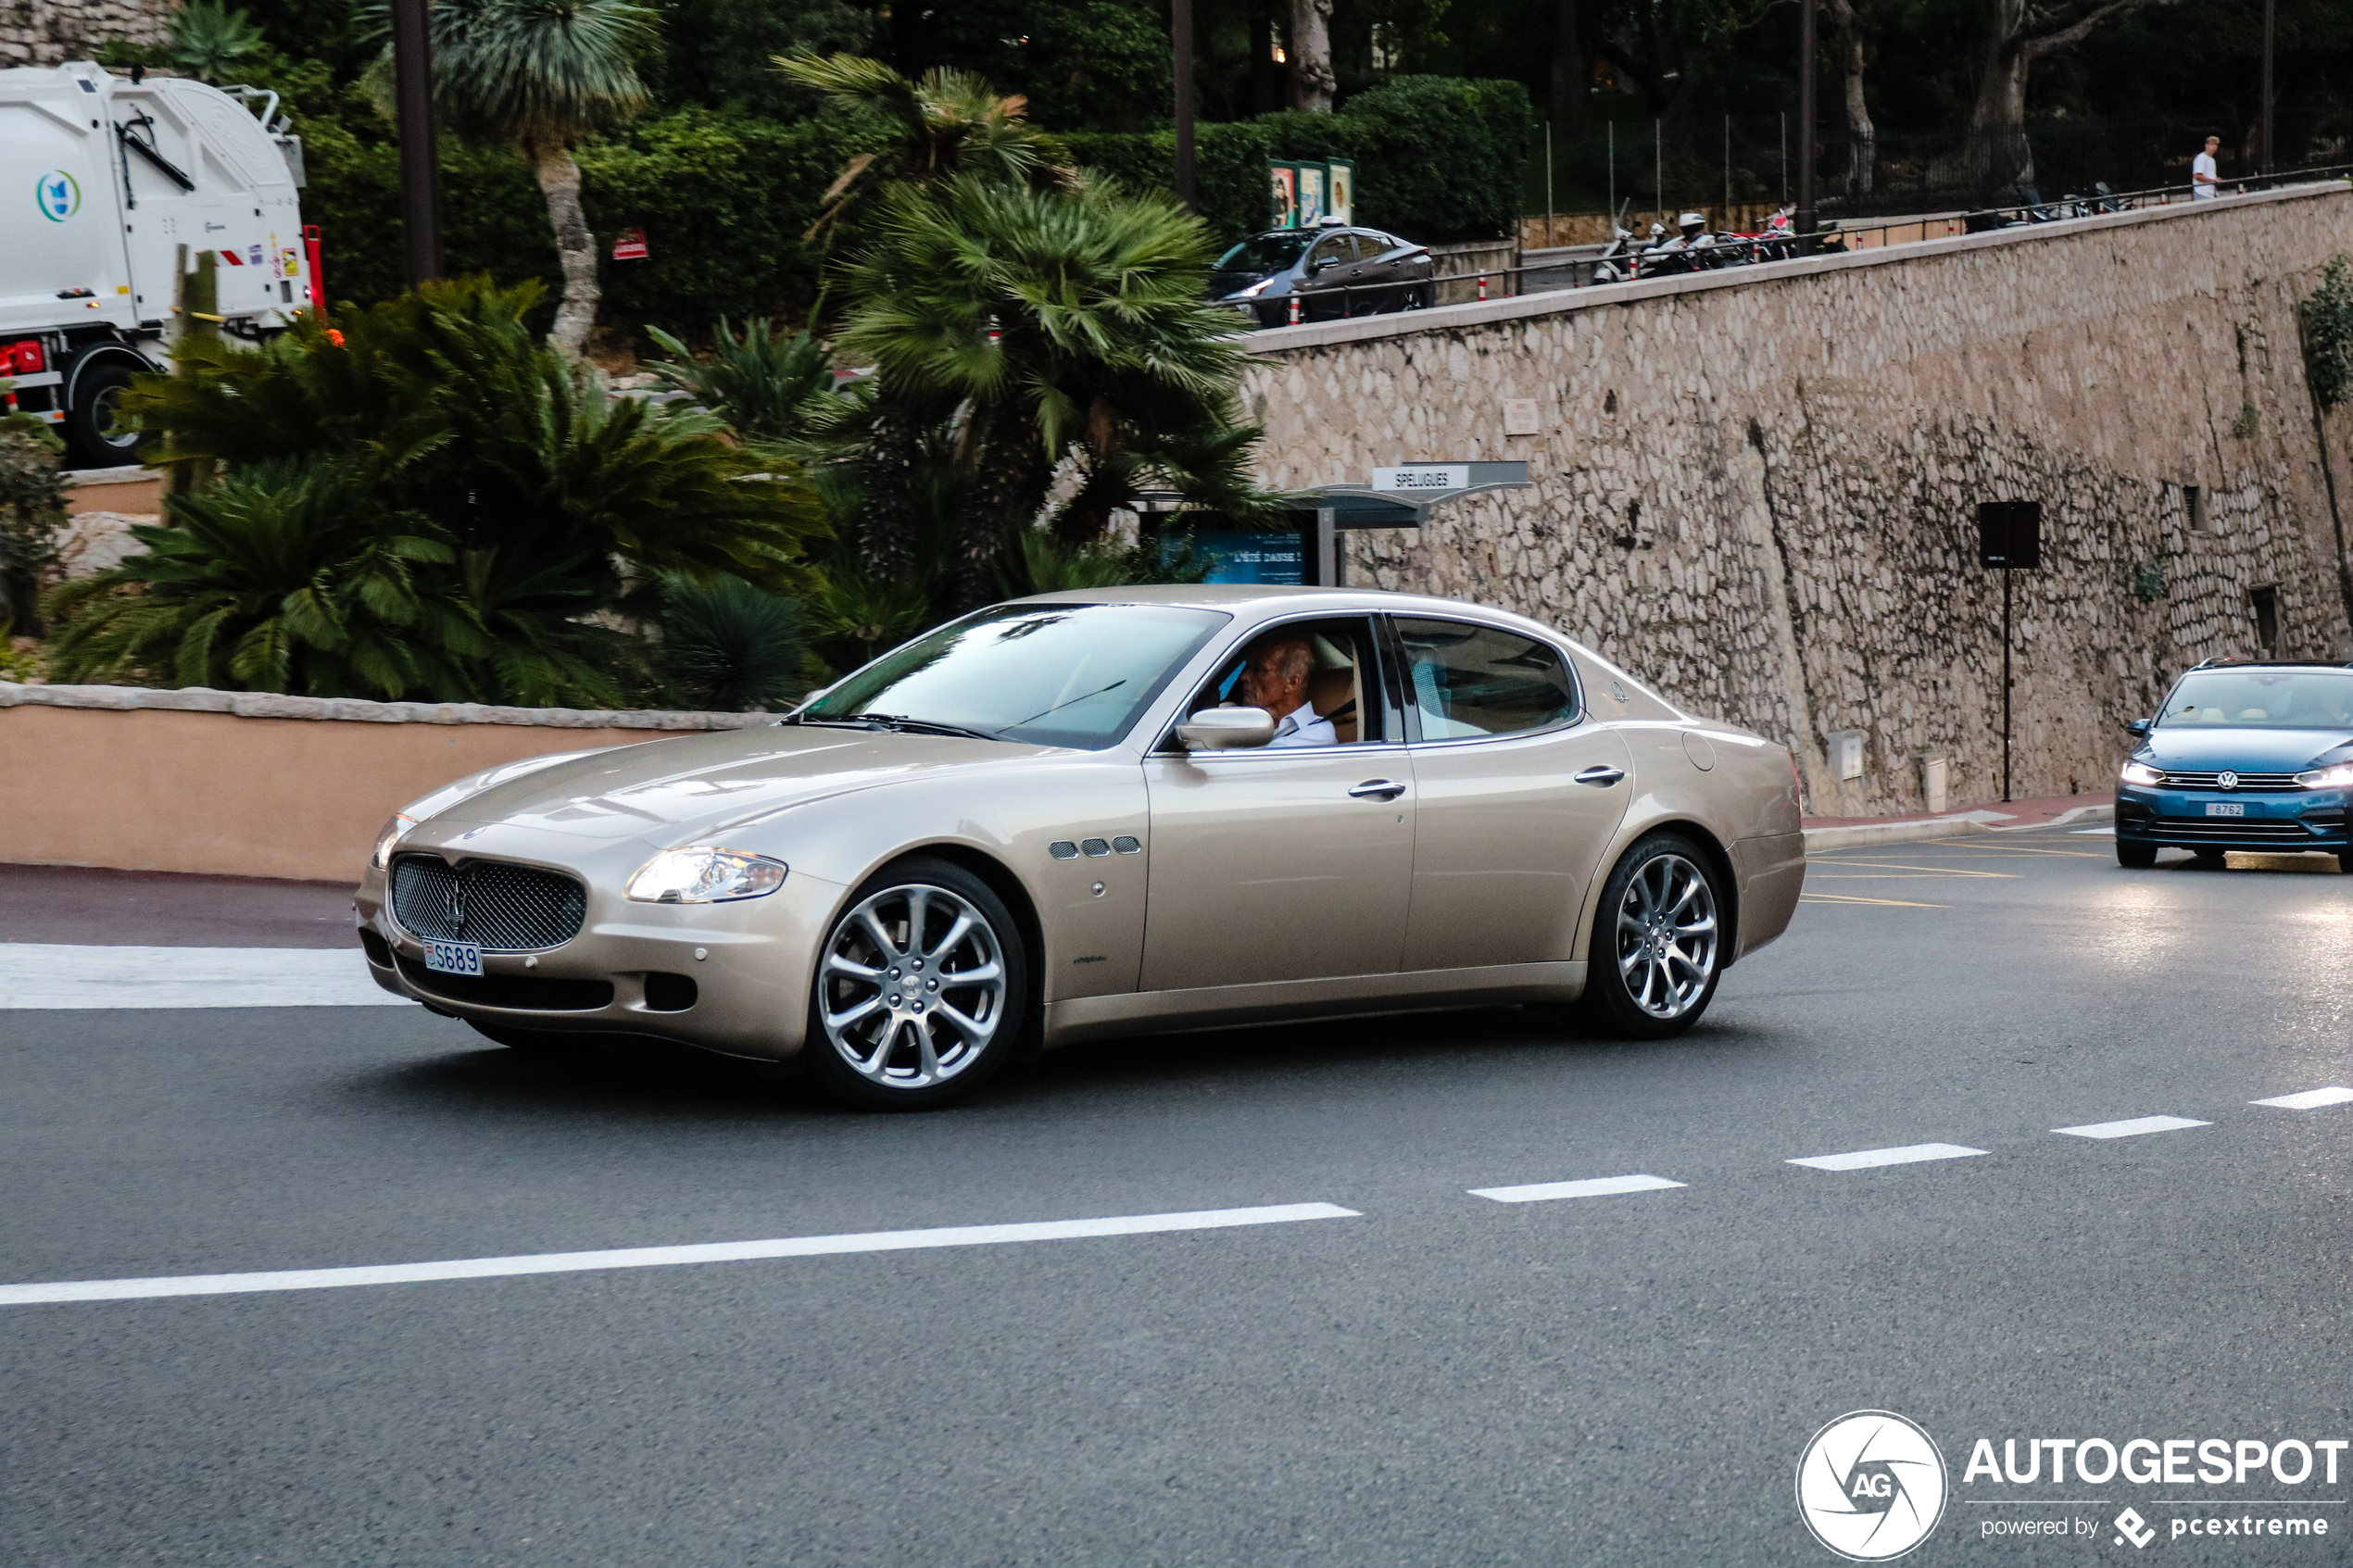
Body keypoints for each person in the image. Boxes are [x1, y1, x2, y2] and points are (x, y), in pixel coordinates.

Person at [1227, 632, 1335, 747]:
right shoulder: (1240, 717)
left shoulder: (1318, 733)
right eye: (1249, 667)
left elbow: (1253, 762)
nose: (1244, 676)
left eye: (1259, 669)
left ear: (1292, 682)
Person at [2192, 136, 2221, 200]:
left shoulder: (2212, 160)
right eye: (2211, 144)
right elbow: (2197, 176)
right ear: (2206, 145)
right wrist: (2213, 181)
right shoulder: (2201, 158)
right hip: (2202, 192)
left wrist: (2216, 179)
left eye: (2216, 145)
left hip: (2211, 193)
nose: (2214, 147)